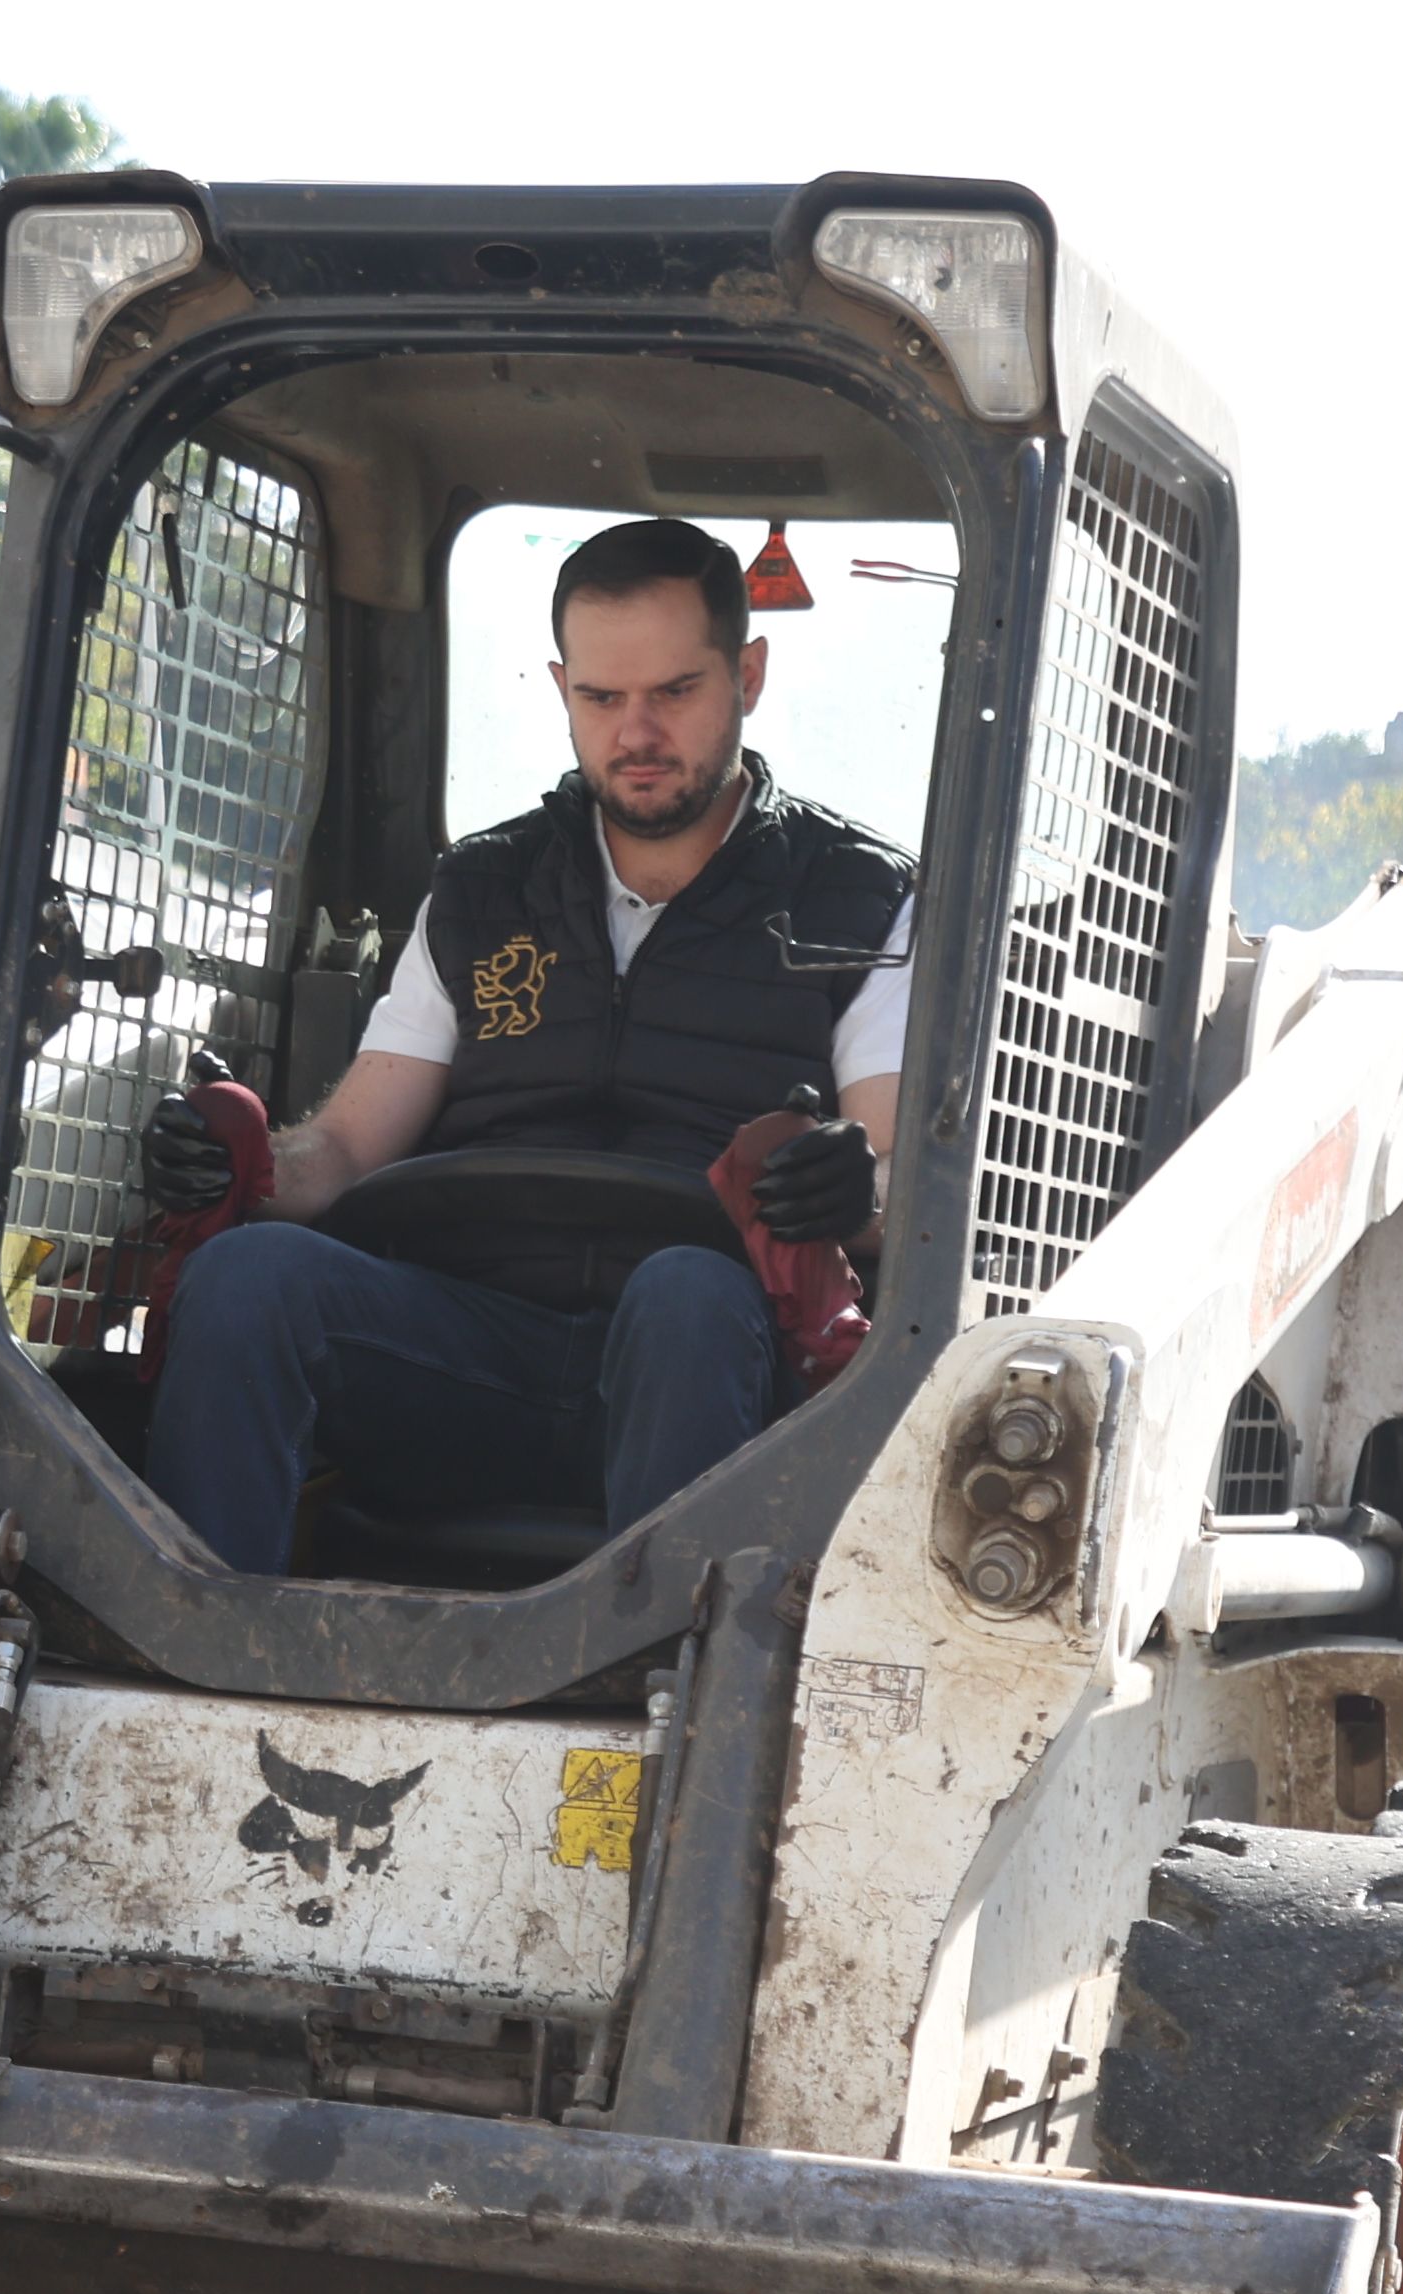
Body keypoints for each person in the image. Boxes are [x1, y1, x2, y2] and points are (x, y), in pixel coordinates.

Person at [127, 517, 911, 1575]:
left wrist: (847, 1194)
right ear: (561, 689)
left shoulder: (860, 900)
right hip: (467, 1354)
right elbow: (350, 1149)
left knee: (685, 1296)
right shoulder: (482, 890)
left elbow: (893, 1178)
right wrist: (242, 1162)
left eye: (675, 692)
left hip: (714, 1377)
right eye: (601, 698)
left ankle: (666, 1704)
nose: (636, 732)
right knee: (248, 1275)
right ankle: (196, 1675)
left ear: (749, 676)